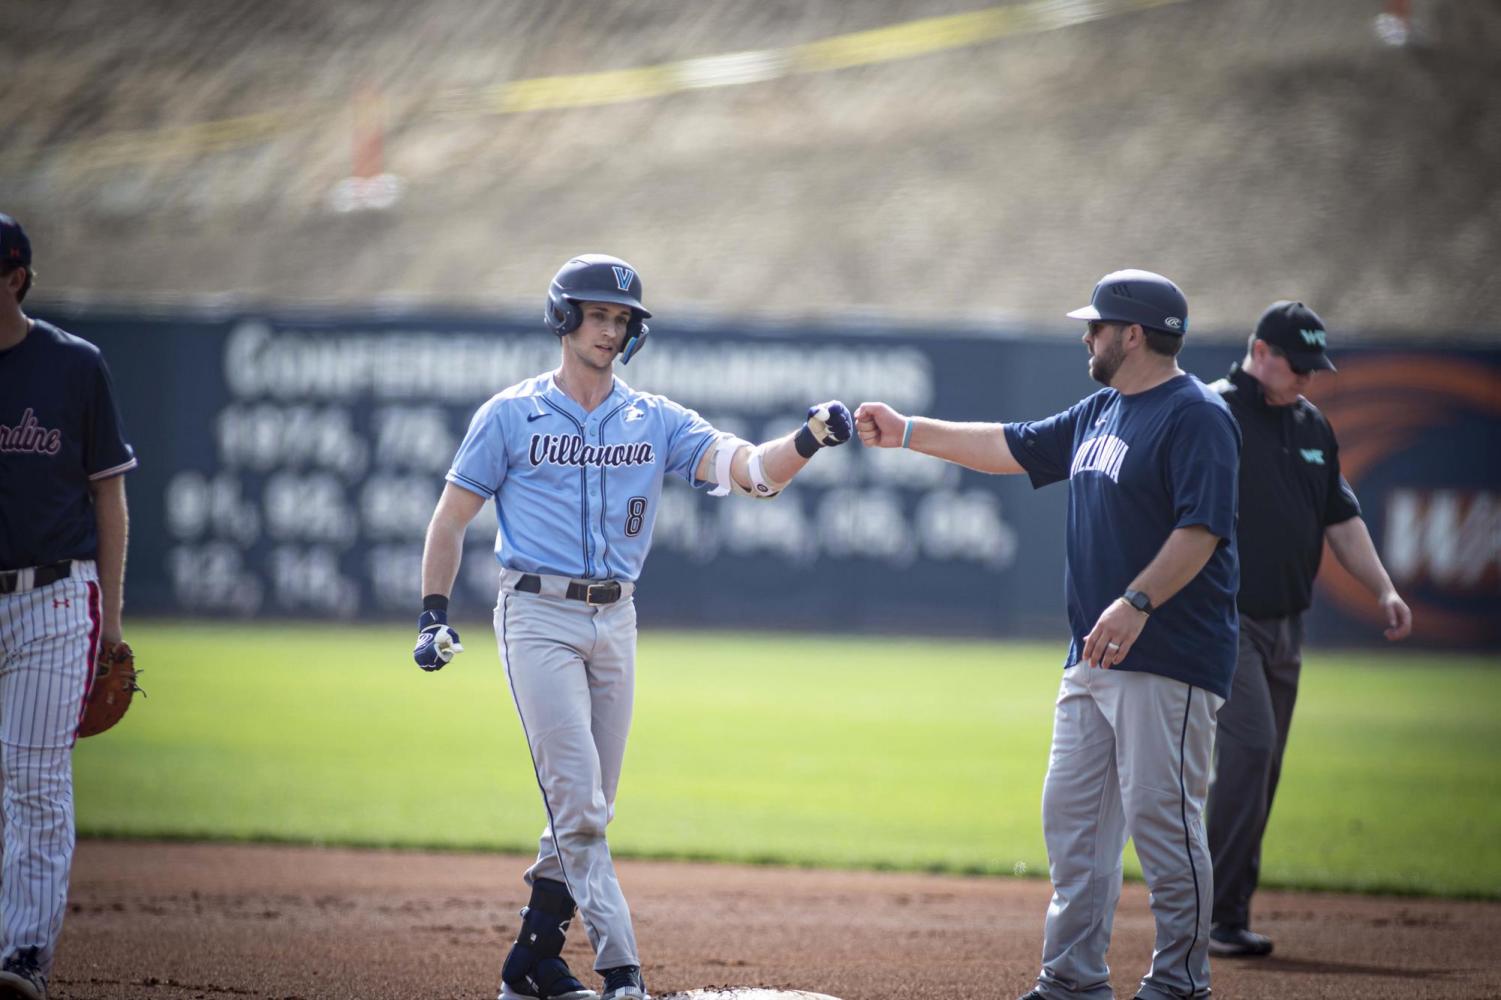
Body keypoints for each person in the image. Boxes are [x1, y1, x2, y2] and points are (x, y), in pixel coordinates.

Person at [413, 253, 852, 1000]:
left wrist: (806, 439)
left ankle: (530, 963)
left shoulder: (656, 419)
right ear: (563, 318)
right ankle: (623, 973)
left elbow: (750, 472)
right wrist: (432, 615)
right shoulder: (509, 414)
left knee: (584, 806)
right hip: (536, 614)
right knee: (579, 805)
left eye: (622, 320)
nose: (610, 330)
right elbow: (450, 519)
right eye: (597, 315)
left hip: (615, 618)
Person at [856, 270, 1240, 1000]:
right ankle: (1071, 979)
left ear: (1132, 334)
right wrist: (906, 431)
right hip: (1090, 658)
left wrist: (1136, 600)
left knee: (1165, 827)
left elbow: (1202, 531)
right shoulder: (1104, 409)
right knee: (1072, 827)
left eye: (1095, 325)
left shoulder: (1195, 416)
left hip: (1167, 656)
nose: (1085, 335)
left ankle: (1181, 982)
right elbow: (1010, 445)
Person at [1204, 301, 1412, 958]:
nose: (1307, 377)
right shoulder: (1210, 412)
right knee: (1249, 752)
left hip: (1287, 626)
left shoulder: (1311, 423)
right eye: (1298, 365)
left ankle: (1226, 914)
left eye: (1313, 366)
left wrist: (1381, 587)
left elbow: (1339, 517)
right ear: (1258, 350)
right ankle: (1208, 916)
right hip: (1222, 617)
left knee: (1262, 770)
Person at [0, 213, 137, 1000]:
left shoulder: (72, 367)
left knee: (36, 781)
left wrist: (110, 625)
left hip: (53, 597)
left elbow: (109, 502)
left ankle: (23, 958)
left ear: (14, 276)